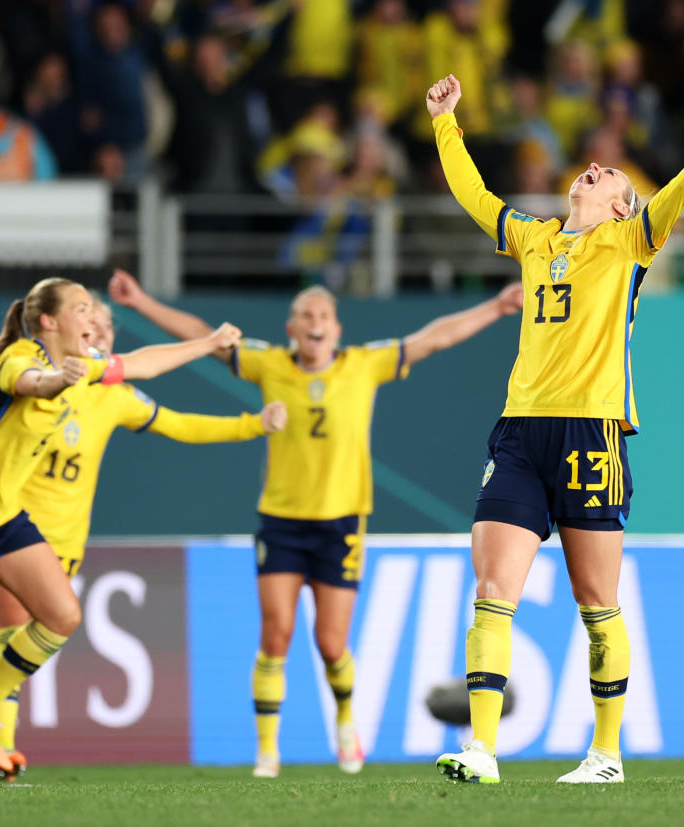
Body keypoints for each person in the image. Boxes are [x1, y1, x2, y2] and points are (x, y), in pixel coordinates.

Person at [425, 66, 684, 784]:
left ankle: (605, 754)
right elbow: (473, 196)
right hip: (519, 432)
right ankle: (481, 749)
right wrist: (444, 122)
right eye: (590, 166)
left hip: (591, 433)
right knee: (492, 587)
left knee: (596, 602)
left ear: (620, 208)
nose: (591, 168)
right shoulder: (532, 239)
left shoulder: (631, 243)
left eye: (607, 173)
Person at [109, 269, 522, 778]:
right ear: (292, 328)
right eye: (305, 315)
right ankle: (267, 753)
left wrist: (497, 307)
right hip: (281, 520)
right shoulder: (269, 364)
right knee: (276, 634)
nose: (315, 322)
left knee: (331, 644)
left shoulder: (362, 365)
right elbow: (202, 334)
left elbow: (432, 339)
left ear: (336, 328)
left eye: (323, 315)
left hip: (341, 524)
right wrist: (142, 300)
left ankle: (346, 721)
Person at [0, 277, 241, 787]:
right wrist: (59, 380)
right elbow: (32, 383)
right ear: (50, 321)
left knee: (61, 615)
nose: (93, 319)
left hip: (2, 515)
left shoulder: (86, 369)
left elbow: (144, 362)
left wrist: (208, 344)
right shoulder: (19, 359)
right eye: (82, 309)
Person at [0, 298, 287, 783]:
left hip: (66, 544)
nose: (100, 329)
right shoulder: (40, 380)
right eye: (90, 321)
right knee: (9, 637)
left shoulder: (116, 396)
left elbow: (180, 424)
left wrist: (252, 425)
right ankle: (2, 755)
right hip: (10, 532)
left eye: (107, 324)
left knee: (16, 655)